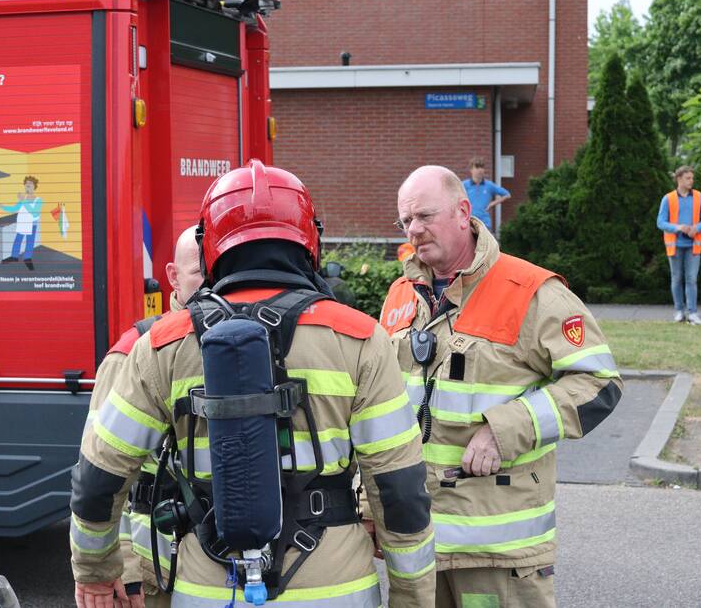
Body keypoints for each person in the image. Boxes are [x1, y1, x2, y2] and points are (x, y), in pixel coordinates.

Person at [70, 161, 435, 608]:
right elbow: (399, 488)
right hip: (336, 591)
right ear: (310, 239)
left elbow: (98, 478)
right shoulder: (359, 338)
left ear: (210, 246)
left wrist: (94, 572)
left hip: (208, 590)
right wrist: (412, 596)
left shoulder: (162, 344)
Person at [381, 165, 623, 608]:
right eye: (405, 221)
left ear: (462, 212)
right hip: (418, 545)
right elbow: (379, 409)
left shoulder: (529, 291)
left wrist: (506, 427)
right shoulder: (400, 295)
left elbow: (599, 382)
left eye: (425, 217)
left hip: (498, 549)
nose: (414, 230)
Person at [84, 226, 202, 608]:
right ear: (172, 276)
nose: (211, 283)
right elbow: (101, 471)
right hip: (154, 569)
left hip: (215, 564)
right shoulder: (135, 352)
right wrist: (126, 572)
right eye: (199, 272)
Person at [657, 166, 701, 325]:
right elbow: (660, 222)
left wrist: (697, 228)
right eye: (688, 178)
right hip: (675, 245)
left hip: (694, 244)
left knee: (692, 279)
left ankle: (693, 312)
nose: (691, 181)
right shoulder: (668, 199)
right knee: (676, 278)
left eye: (692, 178)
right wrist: (678, 227)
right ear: (679, 179)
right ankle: (679, 311)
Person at [0, 175, 43, 270]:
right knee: (17, 240)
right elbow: (14, 209)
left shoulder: (38, 200)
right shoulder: (23, 199)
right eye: (26, 184)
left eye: (30, 184)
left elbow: (34, 213)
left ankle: (27, 259)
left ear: (34, 186)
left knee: (29, 242)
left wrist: (24, 201)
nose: (27, 186)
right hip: (22, 223)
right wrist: (1, 206)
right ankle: (14, 257)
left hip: (32, 224)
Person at [462, 157, 509, 234]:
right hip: (469, 223)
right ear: (471, 170)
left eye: (482, 167)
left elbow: (507, 194)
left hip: (485, 224)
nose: (480, 170)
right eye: (477, 167)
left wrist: (491, 204)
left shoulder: (489, 185)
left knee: (485, 246)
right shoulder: (464, 185)